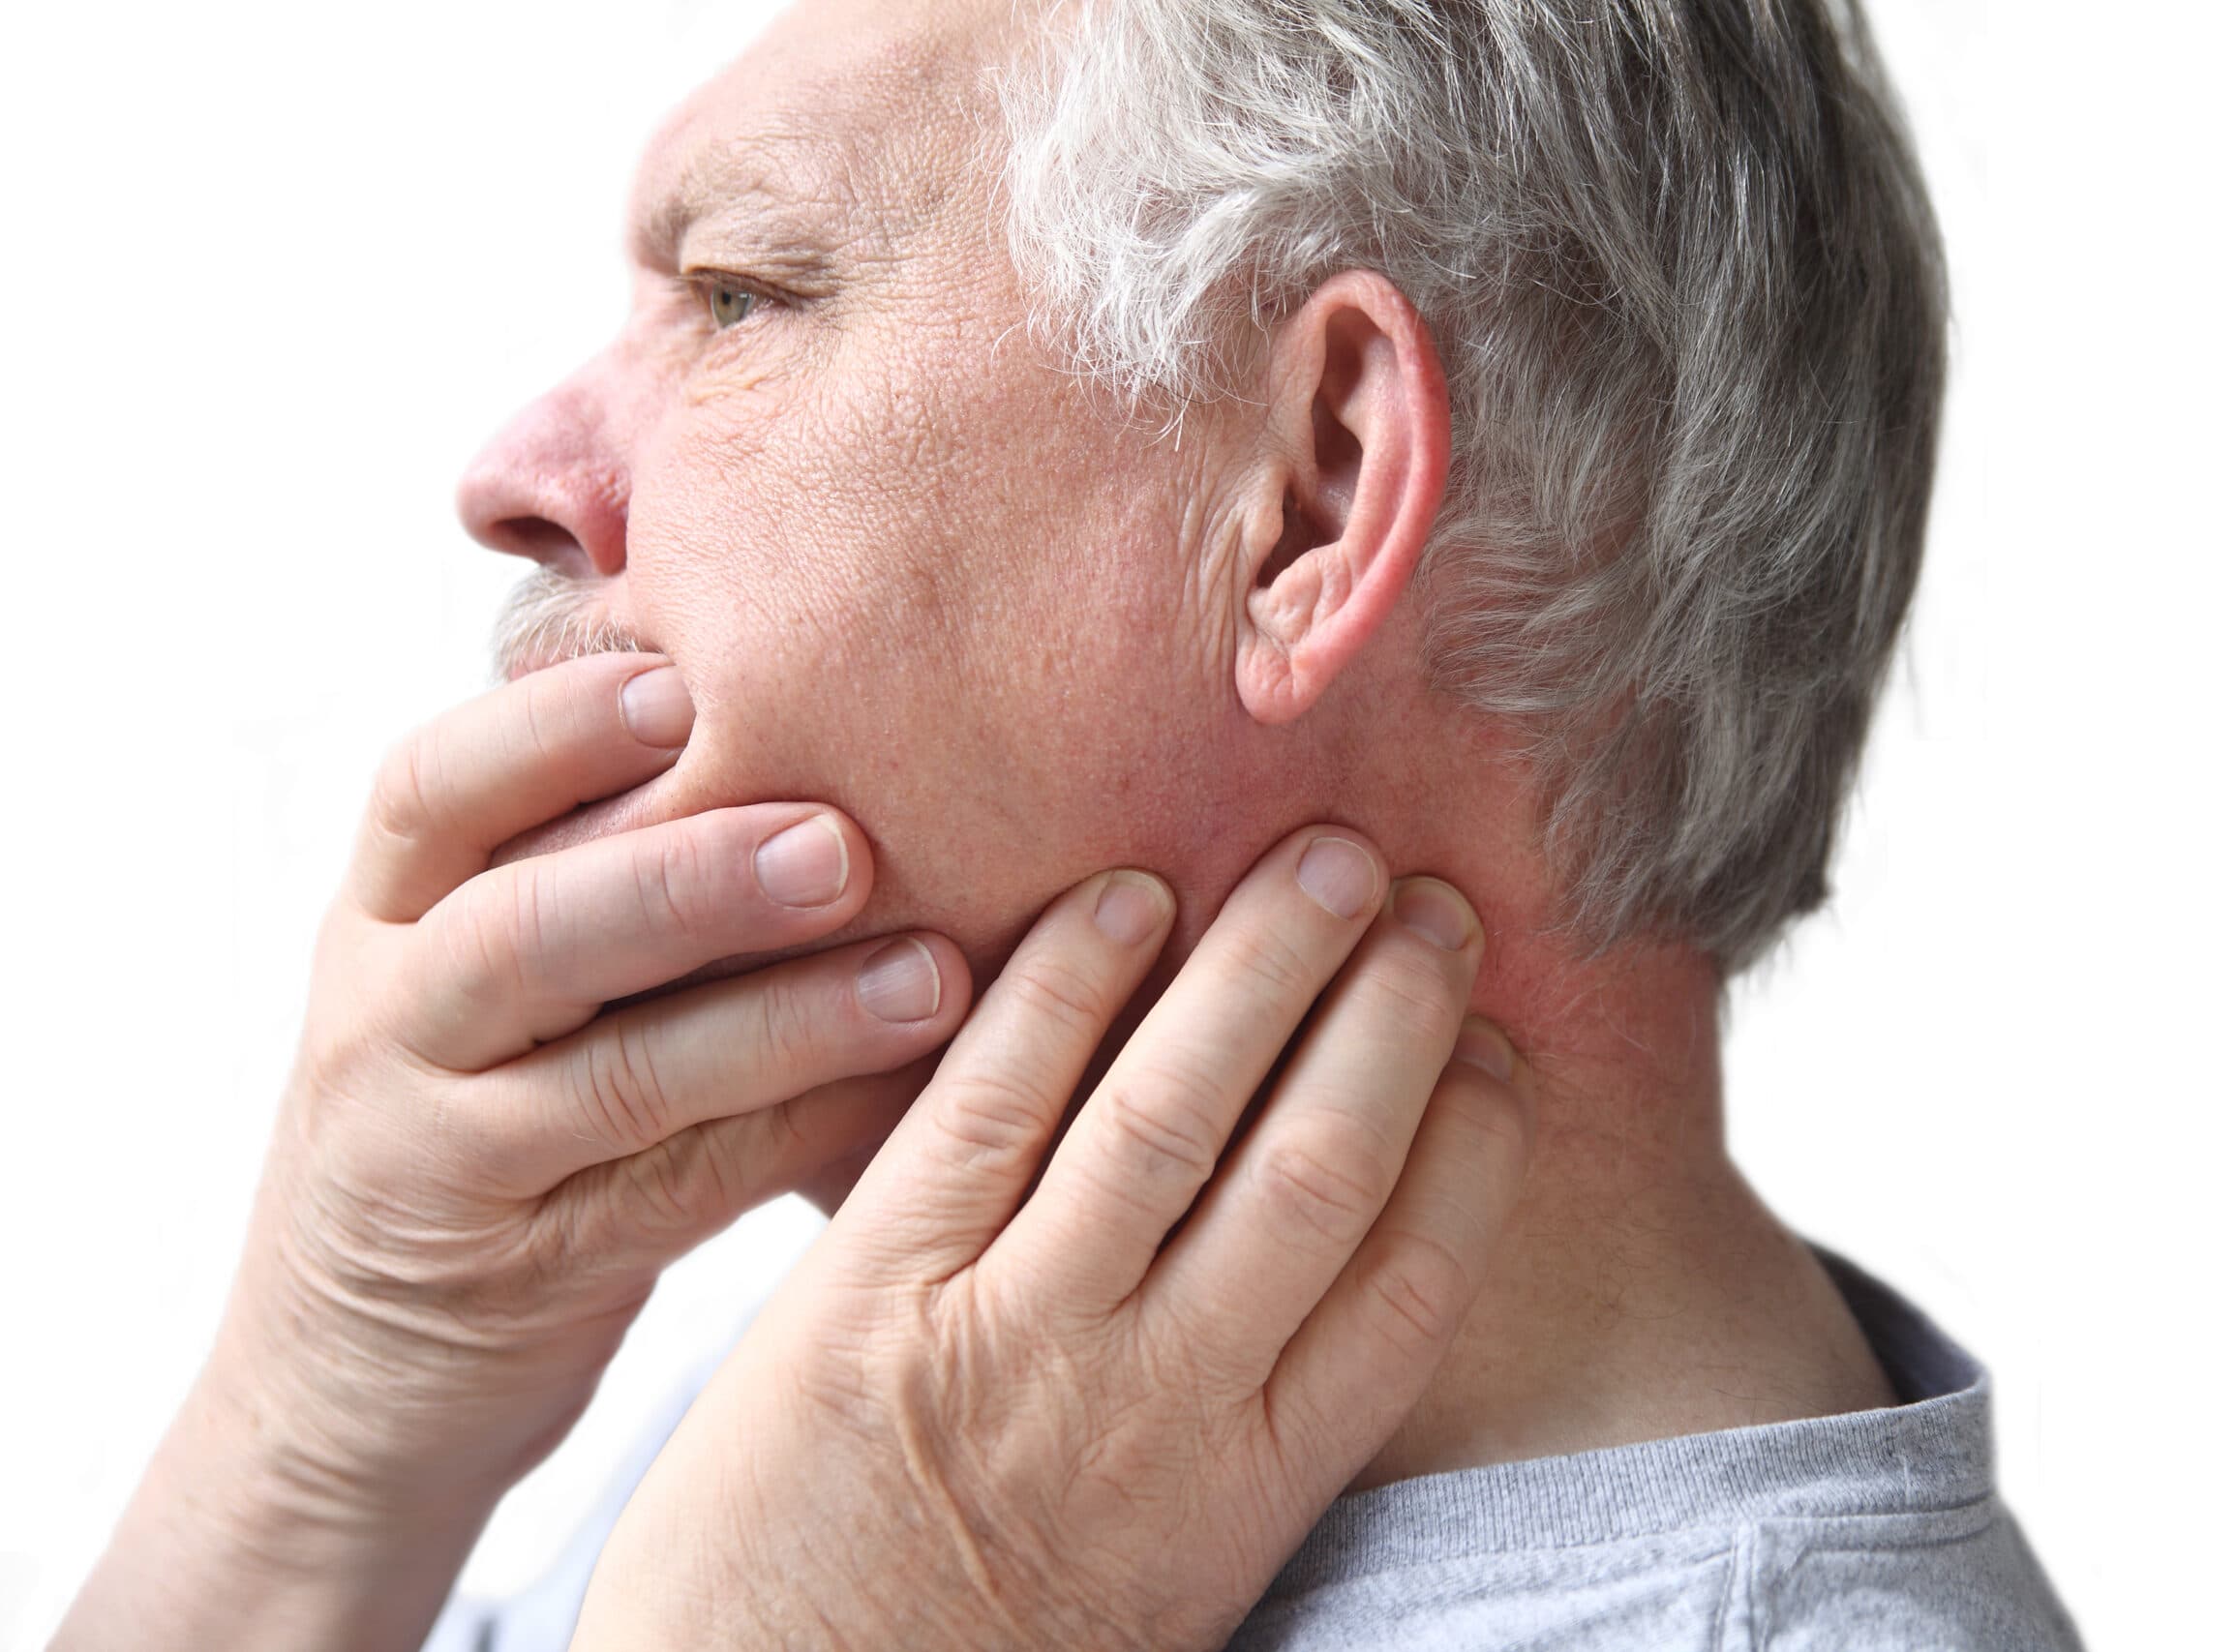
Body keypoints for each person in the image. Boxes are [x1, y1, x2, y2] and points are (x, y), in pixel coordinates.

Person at [58, 0, 2080, 1646]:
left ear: (1307, 490)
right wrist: (308, 1448)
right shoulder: (967, 1395)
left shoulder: (918, 1522)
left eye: (745, 290)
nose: (517, 472)